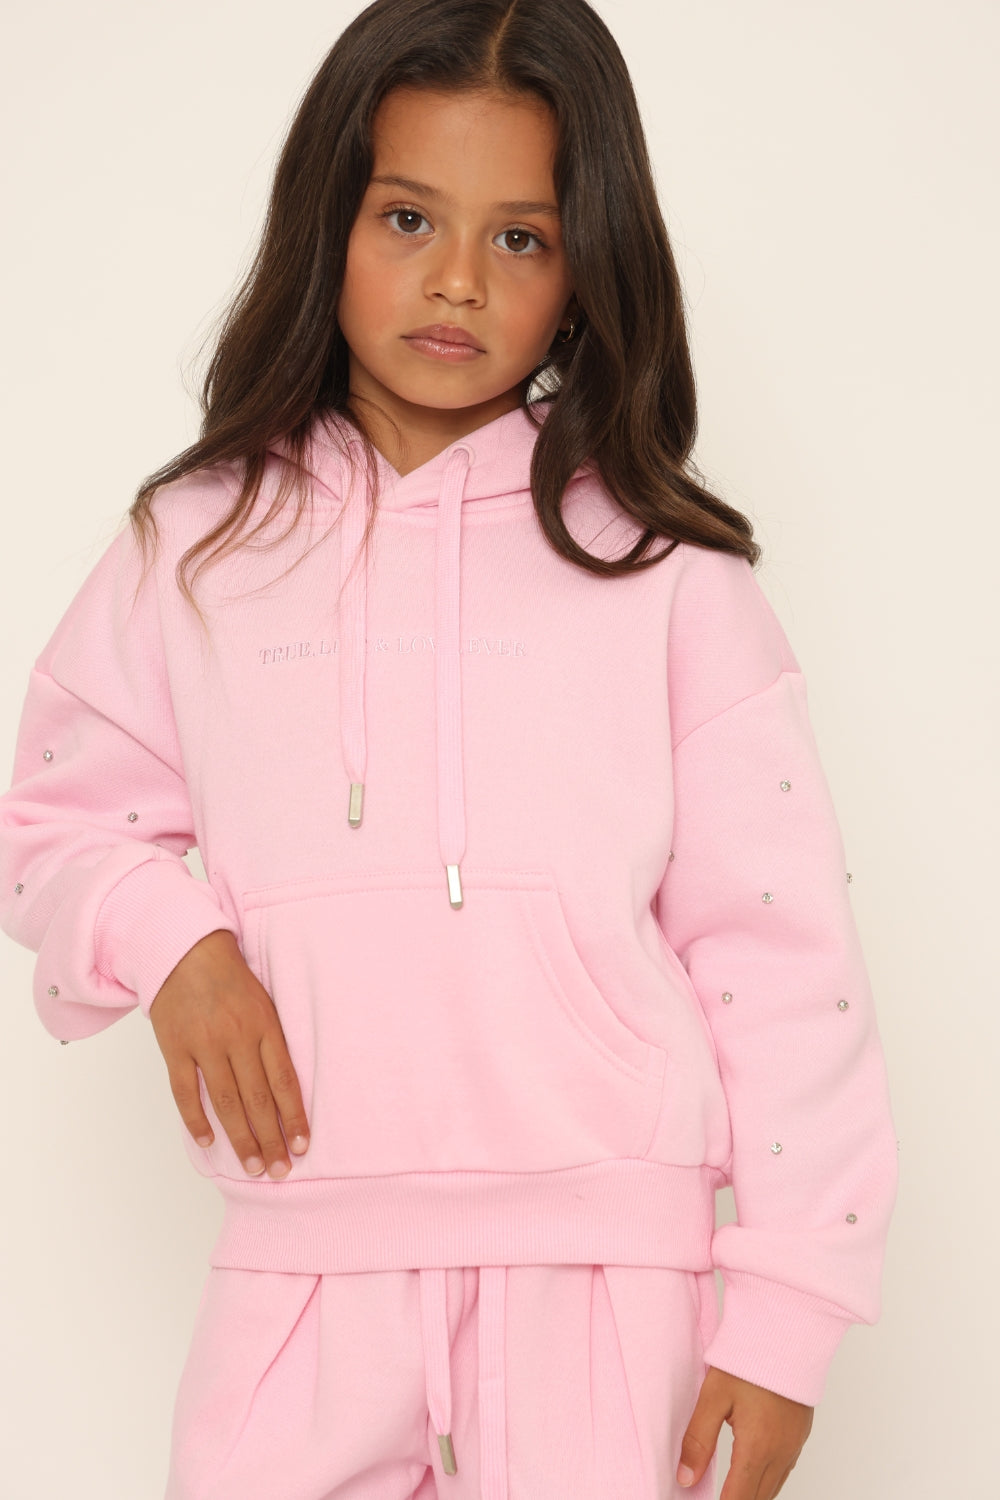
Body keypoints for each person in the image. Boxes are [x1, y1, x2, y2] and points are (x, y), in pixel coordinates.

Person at [0, 1, 898, 1496]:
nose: (459, 279)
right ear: (328, 224)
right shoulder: (197, 545)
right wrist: (172, 944)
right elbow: (49, 822)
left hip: (609, 1275)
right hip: (303, 1263)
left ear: (587, 270)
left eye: (522, 238)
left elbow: (781, 954)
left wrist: (791, 1309)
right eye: (409, 216)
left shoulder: (667, 576)